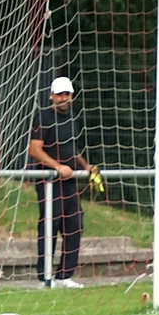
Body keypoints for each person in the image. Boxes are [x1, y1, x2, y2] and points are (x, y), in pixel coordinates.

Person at [27, 76, 97, 289]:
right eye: (60, 94)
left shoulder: (72, 118)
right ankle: (45, 277)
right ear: (51, 96)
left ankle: (64, 276)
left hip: (69, 181)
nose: (64, 98)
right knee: (50, 224)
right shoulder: (42, 117)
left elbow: (71, 149)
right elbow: (34, 149)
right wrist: (57, 167)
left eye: (67, 94)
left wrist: (86, 166)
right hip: (48, 181)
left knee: (75, 224)